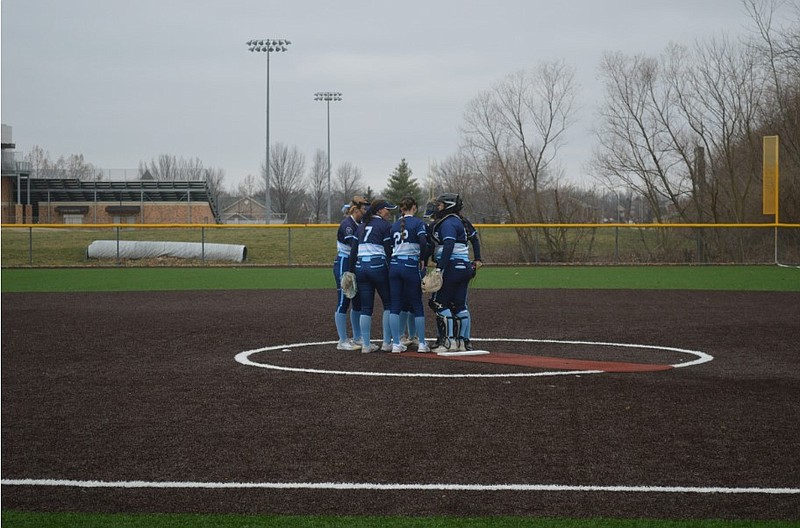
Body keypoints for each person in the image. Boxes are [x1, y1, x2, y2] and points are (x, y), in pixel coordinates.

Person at [427, 193, 479, 352]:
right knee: (460, 305)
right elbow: (475, 239)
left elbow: (449, 244)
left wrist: (439, 269)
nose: (438, 207)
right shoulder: (461, 221)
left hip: (451, 267)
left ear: (448, 205)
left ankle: (448, 341)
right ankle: (464, 342)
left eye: (441, 204)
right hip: (465, 267)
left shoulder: (448, 222)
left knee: (439, 303)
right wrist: (478, 259)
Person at [349, 198, 397, 353]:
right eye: (387, 209)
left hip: (361, 267)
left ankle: (366, 345)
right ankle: (386, 343)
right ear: (379, 211)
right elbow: (388, 251)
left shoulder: (362, 225)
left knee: (366, 308)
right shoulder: (384, 226)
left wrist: (351, 272)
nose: (389, 212)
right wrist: (391, 270)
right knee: (388, 304)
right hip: (378, 266)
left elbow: (353, 252)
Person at [388, 196, 431, 353]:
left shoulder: (394, 225)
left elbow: (390, 246)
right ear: (414, 207)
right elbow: (424, 242)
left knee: (395, 305)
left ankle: (396, 344)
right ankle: (421, 344)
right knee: (417, 304)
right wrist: (422, 259)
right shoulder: (418, 223)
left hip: (394, 265)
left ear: (401, 209)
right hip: (410, 264)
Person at [333, 196, 369, 350]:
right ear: (356, 209)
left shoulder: (360, 223)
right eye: (363, 209)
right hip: (344, 262)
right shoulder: (347, 224)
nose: (365, 212)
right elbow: (353, 244)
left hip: (355, 262)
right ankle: (342, 340)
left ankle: (357, 336)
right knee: (344, 300)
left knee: (357, 301)